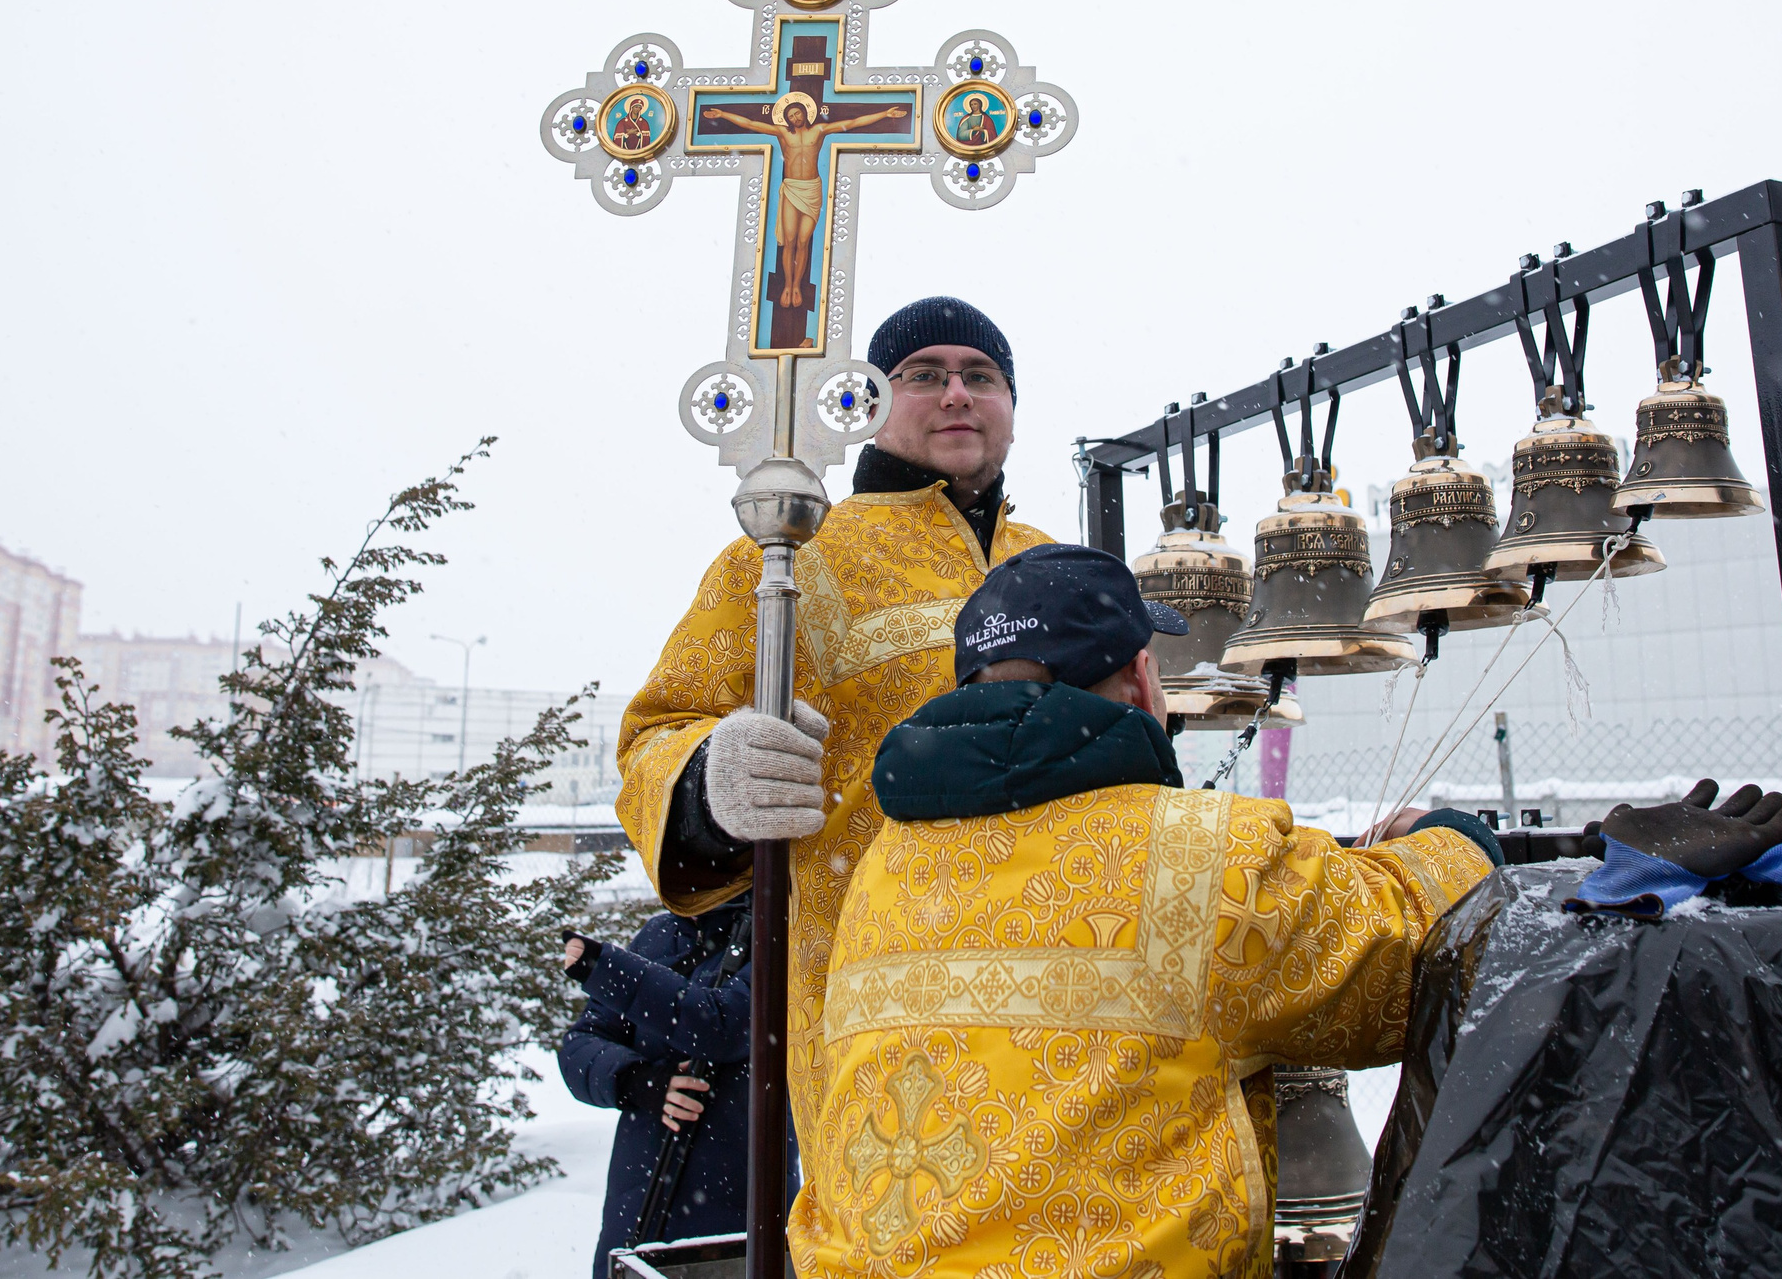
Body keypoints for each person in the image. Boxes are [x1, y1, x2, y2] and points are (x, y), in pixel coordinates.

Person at [787, 542, 1507, 1277]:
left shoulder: (882, 871)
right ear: (1141, 680)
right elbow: (1413, 951)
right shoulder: (1204, 860)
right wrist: (1447, 839)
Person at [613, 298, 1049, 1156]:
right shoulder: (788, 554)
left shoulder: (1049, 561)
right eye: (925, 375)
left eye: (981, 376)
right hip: (873, 995)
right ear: (869, 404)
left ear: (1010, 404)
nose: (957, 393)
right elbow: (655, 733)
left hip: (1067, 983)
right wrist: (712, 779)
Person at [559, 895, 762, 1275]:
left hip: (733, 1225)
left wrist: (605, 968)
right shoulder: (658, 934)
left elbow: (723, 1024)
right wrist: (637, 1080)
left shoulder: (777, 932)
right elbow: (578, 1046)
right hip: (634, 1212)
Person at [703, 94, 910, 308]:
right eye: (791, 115)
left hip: (812, 189)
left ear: (804, 113)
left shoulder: (818, 131)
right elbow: (750, 123)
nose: (795, 117)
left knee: (804, 242)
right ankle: (787, 285)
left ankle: (797, 286)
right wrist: (722, 114)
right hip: (793, 188)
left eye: (798, 113)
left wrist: (885, 114)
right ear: (787, 119)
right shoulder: (782, 133)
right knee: (790, 241)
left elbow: (852, 123)